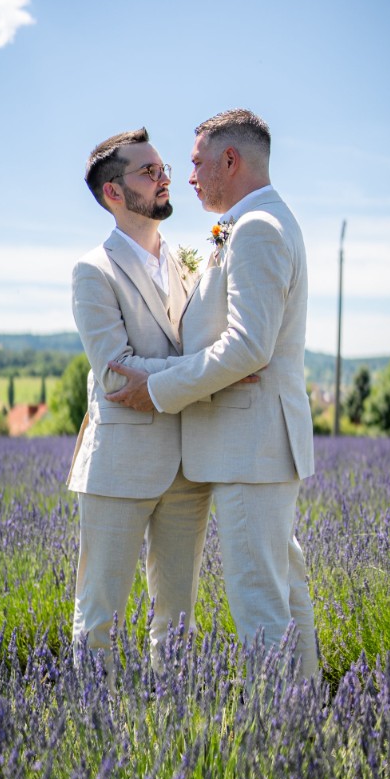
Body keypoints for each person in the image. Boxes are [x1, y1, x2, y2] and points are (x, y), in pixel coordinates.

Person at [106, 109, 318, 681]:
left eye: (197, 161)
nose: (189, 175)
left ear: (232, 159)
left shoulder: (257, 230)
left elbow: (249, 345)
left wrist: (160, 388)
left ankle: (281, 742)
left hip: (252, 445)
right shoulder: (257, 223)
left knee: (260, 605)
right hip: (253, 444)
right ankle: (306, 723)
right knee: (283, 588)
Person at [67, 127, 212, 679]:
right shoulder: (93, 271)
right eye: (148, 172)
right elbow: (114, 374)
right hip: (119, 466)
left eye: (164, 168)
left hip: (187, 464)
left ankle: (168, 734)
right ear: (113, 192)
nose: (165, 178)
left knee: (177, 624)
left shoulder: (185, 262)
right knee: (98, 616)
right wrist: (211, 373)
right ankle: (89, 730)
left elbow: (168, 357)